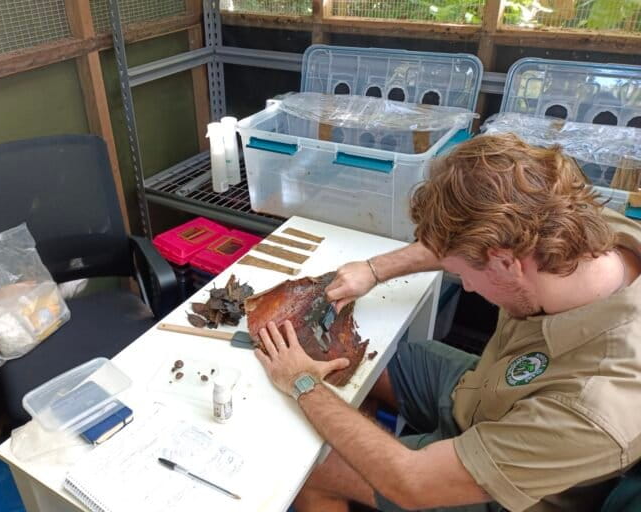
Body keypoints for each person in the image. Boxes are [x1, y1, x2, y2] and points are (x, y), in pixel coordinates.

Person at [254, 134, 641, 512]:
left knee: (311, 470)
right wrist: (374, 269)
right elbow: (464, 239)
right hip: (483, 391)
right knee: (369, 364)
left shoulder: (597, 401)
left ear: (506, 262)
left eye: (466, 275)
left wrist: (303, 383)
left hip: (506, 485)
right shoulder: (570, 222)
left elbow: (413, 482)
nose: (468, 288)